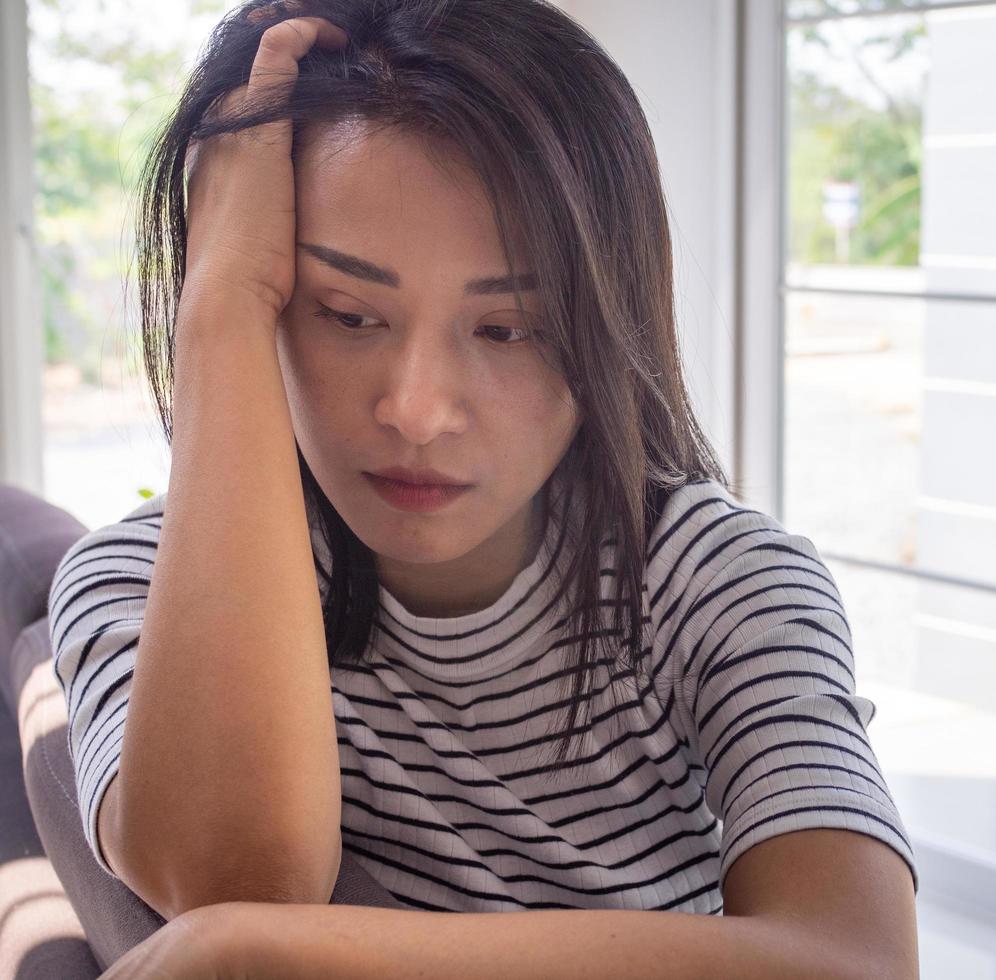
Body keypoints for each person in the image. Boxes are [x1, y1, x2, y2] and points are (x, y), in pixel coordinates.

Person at [46, 0, 919, 974]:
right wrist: (217, 305)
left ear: (605, 321)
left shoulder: (715, 581)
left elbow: (856, 957)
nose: (417, 409)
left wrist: (279, 947)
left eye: (506, 329)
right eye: (346, 313)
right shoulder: (129, 581)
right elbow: (229, 871)